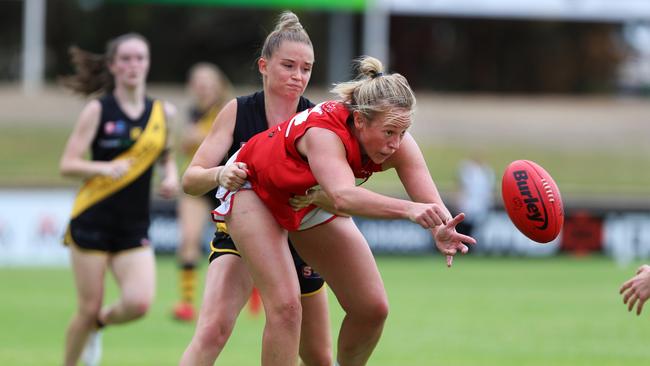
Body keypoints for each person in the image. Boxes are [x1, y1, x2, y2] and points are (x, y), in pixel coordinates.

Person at [211, 56, 477, 365]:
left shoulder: (397, 141)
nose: (396, 143)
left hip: (308, 196)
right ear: (361, 121)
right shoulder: (325, 133)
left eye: (403, 133)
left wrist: (441, 226)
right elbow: (342, 198)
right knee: (286, 308)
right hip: (254, 188)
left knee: (372, 308)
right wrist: (409, 210)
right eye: (389, 132)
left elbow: (429, 202)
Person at [180, 11, 332, 366]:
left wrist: (323, 195)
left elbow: (337, 190)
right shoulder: (236, 111)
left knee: (319, 356)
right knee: (212, 331)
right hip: (240, 239)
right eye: (288, 66)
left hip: (300, 239)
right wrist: (221, 174)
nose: (298, 77)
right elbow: (191, 178)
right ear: (264, 65)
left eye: (306, 69)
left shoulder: (317, 120)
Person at [58, 33, 179, 366]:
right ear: (112, 65)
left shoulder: (163, 112)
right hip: (92, 220)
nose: (133, 65)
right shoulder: (98, 110)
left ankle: (100, 324)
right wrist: (103, 167)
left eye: (139, 58)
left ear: (148, 63)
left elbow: (165, 156)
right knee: (86, 308)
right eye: (125, 59)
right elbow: (67, 164)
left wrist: (170, 176)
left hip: (133, 225)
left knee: (139, 303)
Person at [173, 62, 233, 321]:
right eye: (197, 82)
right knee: (188, 239)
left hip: (228, 183)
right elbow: (186, 145)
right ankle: (186, 303)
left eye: (207, 82)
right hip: (201, 183)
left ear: (218, 84)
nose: (202, 87)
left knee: (245, 243)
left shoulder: (228, 110)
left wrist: (199, 136)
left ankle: (255, 297)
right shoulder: (192, 113)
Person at [455, 154, 495, 238]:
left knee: (475, 227)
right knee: (466, 226)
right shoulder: (468, 171)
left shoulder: (485, 172)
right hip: (470, 204)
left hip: (478, 204)